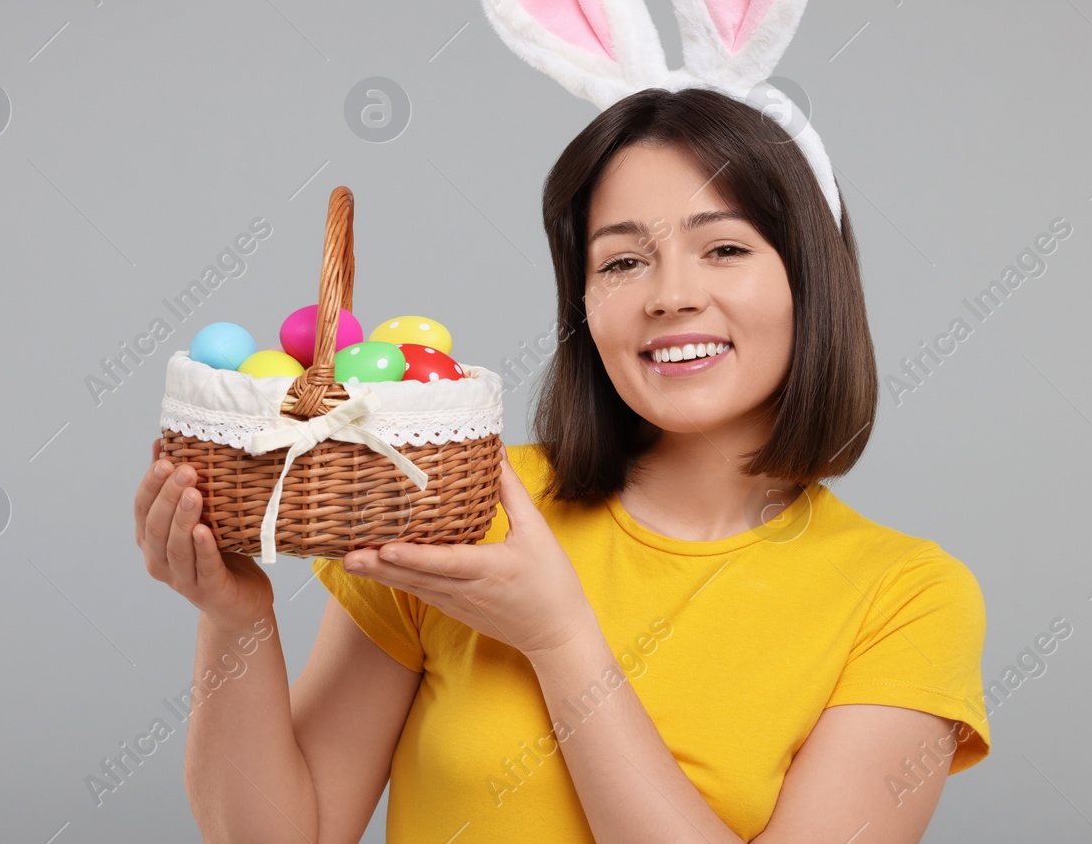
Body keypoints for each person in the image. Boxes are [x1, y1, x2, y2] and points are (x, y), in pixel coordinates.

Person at [134, 86, 990, 842]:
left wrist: (560, 637)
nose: (669, 294)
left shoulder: (908, 597)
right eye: (621, 259)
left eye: (724, 247)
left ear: (812, 278)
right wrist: (237, 616)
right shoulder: (452, 502)